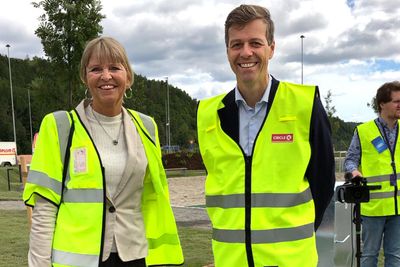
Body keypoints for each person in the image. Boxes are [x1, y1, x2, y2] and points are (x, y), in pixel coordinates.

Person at [23, 36, 184, 267]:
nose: (106, 76)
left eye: (114, 68)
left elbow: (151, 198)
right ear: (85, 77)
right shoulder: (59, 126)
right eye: (96, 69)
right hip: (78, 261)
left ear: (128, 77)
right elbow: (44, 208)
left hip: (135, 256)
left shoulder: (147, 127)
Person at [197, 4, 335, 267]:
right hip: (231, 260)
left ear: (271, 47)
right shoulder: (208, 115)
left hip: (291, 260)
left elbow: (323, 182)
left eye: (255, 43)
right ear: (227, 51)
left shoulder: (304, 105)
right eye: (236, 44)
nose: (245, 52)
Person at [344, 81, 400, 267]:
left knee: (395, 256)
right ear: (382, 104)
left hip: (398, 208)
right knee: (369, 256)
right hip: (373, 207)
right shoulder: (364, 131)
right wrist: (354, 171)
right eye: (396, 101)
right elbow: (350, 159)